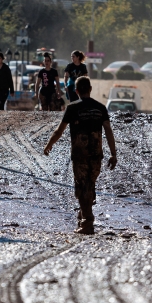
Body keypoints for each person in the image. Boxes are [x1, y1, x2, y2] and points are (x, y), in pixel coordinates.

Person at [43, 76, 117, 235]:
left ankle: (87, 222)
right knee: (89, 185)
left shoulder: (72, 108)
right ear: (90, 89)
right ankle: (83, 214)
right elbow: (108, 131)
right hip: (97, 155)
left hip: (80, 155)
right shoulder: (100, 108)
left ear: (76, 91)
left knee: (82, 187)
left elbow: (59, 131)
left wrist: (49, 144)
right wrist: (113, 153)